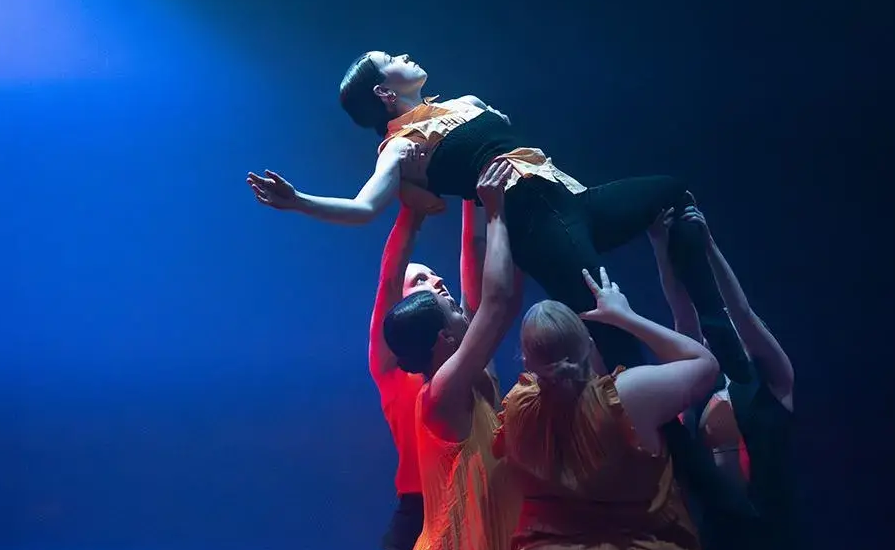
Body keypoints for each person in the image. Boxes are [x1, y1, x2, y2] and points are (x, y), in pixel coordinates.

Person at [246, 51, 754, 520]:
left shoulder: (462, 103)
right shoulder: (401, 147)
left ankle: (732, 366)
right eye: (392, 59)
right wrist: (299, 201)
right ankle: (711, 498)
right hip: (539, 226)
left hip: (572, 198)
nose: (405, 56)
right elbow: (363, 209)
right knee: (618, 347)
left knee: (671, 195)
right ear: (383, 92)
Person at [483, 267, 720, 550]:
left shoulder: (516, 409)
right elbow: (704, 364)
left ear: (528, 358)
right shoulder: (629, 394)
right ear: (587, 345)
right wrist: (625, 317)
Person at [648, 204, 824, 550]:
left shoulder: (773, 387)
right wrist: (661, 249)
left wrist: (709, 248)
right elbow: (681, 320)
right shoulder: (695, 396)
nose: (713, 336)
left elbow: (744, 314)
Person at [383, 159, 524, 550]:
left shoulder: (466, 377)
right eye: (450, 312)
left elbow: (478, 288)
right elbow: (494, 305)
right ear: (444, 339)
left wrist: (474, 204)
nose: (457, 304)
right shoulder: (439, 395)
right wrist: (498, 213)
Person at [360, 175, 482, 550]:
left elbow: (478, 283)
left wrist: (471, 199)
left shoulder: (461, 357)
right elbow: (389, 281)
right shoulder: (392, 366)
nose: (436, 282)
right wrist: (408, 216)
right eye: (423, 279)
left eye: (438, 279)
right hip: (417, 514)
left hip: (471, 515)